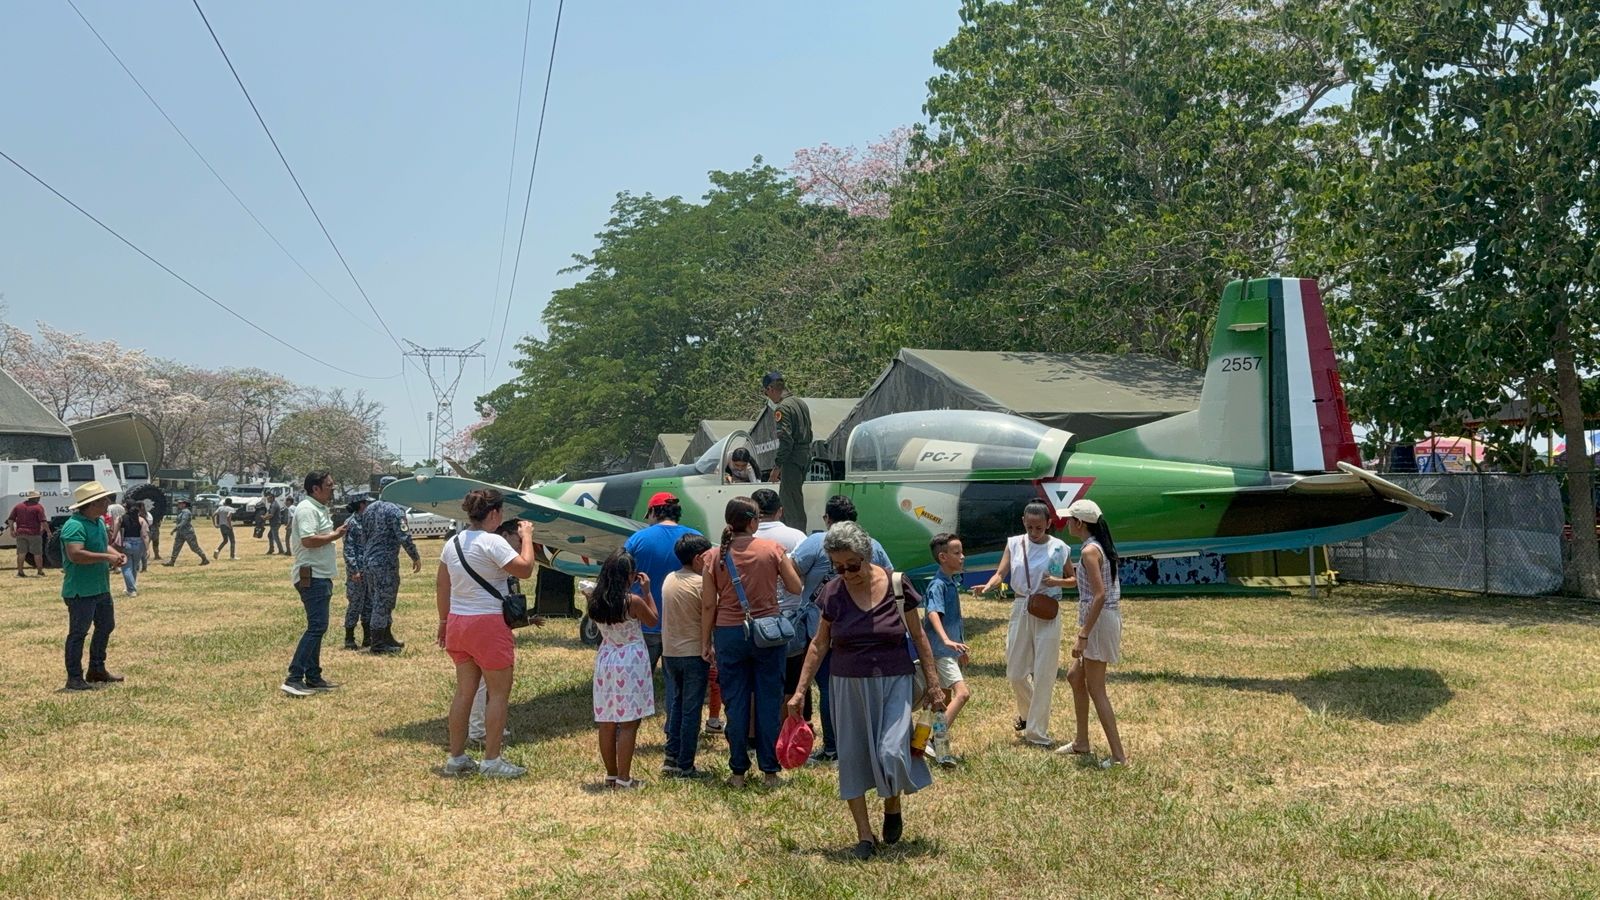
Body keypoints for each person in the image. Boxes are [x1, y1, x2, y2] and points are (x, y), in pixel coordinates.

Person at [787, 521, 945, 860]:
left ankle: (892, 805)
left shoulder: (897, 585)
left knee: (893, 752)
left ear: (866, 555)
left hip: (895, 680)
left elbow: (919, 637)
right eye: (837, 566)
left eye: (852, 565)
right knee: (853, 758)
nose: (845, 572)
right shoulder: (832, 592)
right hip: (846, 683)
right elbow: (818, 644)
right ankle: (864, 836)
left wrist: (934, 683)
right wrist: (800, 692)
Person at [699, 496, 804, 787]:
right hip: (767, 632)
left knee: (735, 702)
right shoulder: (771, 549)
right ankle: (770, 771)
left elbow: (708, 604)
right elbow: (796, 586)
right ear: (754, 521)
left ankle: (737, 772)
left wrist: (705, 641)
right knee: (769, 701)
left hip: (729, 633)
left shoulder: (714, 555)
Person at [437, 488, 537, 778]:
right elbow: (525, 569)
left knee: (464, 692)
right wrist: (527, 536)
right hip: (488, 624)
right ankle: (492, 760)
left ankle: (456, 757)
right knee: (498, 695)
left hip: (458, 622)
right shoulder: (492, 542)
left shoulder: (452, 543)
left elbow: (443, 586)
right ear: (494, 514)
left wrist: (443, 621)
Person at [788, 495, 894, 762]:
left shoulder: (814, 543)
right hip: (864, 631)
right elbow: (888, 577)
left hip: (820, 628)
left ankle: (833, 747)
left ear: (827, 518)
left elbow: (792, 572)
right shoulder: (874, 545)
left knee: (828, 690)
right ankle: (865, 743)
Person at [979, 500, 1069, 748]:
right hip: (1021, 606)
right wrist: (990, 584)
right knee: (1016, 672)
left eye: (1039, 528)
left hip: (1047, 608)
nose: (1034, 532)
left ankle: (1037, 732)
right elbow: (1001, 572)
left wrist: (1057, 582)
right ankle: (1029, 716)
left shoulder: (1059, 548)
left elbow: (1073, 578)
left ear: (1049, 524)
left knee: (1044, 673)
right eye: (1030, 527)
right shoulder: (1014, 543)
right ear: (1023, 522)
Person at [1057, 499, 1128, 767]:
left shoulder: (1089, 551)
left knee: (1097, 689)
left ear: (1080, 523)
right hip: (1100, 619)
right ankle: (1081, 742)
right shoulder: (1096, 547)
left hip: (1098, 622)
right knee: (1075, 676)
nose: (1066, 524)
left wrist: (1084, 634)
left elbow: (1099, 595)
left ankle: (1119, 756)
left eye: (1070, 519)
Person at [589, 550, 659, 788]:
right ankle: (625, 778)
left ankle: (611, 773)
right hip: (631, 658)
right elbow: (653, 620)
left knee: (607, 720)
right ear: (628, 576)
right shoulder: (633, 601)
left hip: (606, 657)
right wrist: (648, 592)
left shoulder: (595, 600)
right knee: (629, 722)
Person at [621, 492, 702, 685]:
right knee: (678, 687)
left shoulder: (637, 539)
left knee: (637, 680)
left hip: (645, 621)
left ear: (653, 512)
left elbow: (622, 574)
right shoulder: (695, 538)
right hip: (683, 624)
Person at [281, 472, 349, 697]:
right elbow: (308, 540)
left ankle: (313, 676)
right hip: (312, 576)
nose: (333, 488)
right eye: (329, 485)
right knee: (317, 627)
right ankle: (294, 677)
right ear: (315, 488)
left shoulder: (317, 508)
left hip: (320, 575)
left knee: (317, 627)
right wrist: (335, 535)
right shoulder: (307, 509)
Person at [58, 482, 128, 691]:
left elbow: (101, 545)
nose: (108, 502)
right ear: (91, 504)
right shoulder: (74, 525)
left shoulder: (96, 522)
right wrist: (107, 557)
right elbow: (76, 554)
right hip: (80, 591)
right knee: (78, 633)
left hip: (100, 588)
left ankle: (96, 669)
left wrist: (115, 554)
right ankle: (74, 677)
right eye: (104, 500)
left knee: (106, 626)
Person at [660, 533, 714, 778]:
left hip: (670, 652)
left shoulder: (669, 579)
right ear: (698, 558)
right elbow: (710, 611)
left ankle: (671, 757)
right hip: (693, 653)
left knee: (677, 704)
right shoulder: (701, 584)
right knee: (691, 710)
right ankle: (686, 764)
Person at [922, 533, 972, 767]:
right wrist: (947, 641)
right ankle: (932, 740)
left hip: (947, 650)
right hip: (940, 651)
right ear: (943, 557)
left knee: (942, 702)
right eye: (956, 553)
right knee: (962, 694)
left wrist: (959, 646)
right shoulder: (938, 585)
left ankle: (935, 747)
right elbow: (933, 613)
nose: (962, 557)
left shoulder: (951, 582)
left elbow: (954, 620)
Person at [359, 496, 422, 654]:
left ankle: (386, 637)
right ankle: (378, 644)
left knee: (377, 600)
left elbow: (363, 536)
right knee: (383, 601)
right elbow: (404, 536)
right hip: (385, 562)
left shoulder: (369, 509)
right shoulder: (395, 511)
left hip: (369, 561)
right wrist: (414, 556)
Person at [762, 372, 812, 531]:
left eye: (766, 392)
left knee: (792, 506)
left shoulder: (782, 407)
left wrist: (777, 467)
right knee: (787, 501)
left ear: (770, 389)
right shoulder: (800, 402)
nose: (768, 396)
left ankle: (798, 540)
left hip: (792, 459)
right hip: (804, 456)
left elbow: (786, 441)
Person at [341, 496, 372, 650]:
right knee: (355, 603)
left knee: (368, 603)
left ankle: (368, 637)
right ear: (361, 505)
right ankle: (349, 637)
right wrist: (354, 570)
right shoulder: (351, 523)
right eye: (367, 503)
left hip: (368, 568)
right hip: (357, 570)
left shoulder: (367, 521)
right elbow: (348, 549)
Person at [8, 490, 51, 577]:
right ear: (35, 498)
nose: (39, 499)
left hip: (20, 533)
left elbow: (10, 519)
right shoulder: (38, 507)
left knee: (21, 553)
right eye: (38, 497)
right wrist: (48, 532)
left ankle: (20, 572)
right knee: (37, 553)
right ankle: (39, 572)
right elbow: (43, 521)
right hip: (34, 533)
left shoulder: (18, 506)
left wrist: (12, 530)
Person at [110, 501, 149, 598]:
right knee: (134, 568)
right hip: (138, 544)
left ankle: (131, 590)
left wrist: (112, 543)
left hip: (126, 544)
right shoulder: (141, 520)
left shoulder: (120, 519)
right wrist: (147, 549)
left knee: (126, 568)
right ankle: (130, 587)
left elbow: (114, 534)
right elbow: (144, 535)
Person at [162, 499, 210, 567]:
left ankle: (204, 559)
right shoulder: (182, 512)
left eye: (180, 503)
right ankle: (172, 561)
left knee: (194, 547)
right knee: (176, 547)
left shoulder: (186, 512)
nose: (178, 504)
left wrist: (175, 529)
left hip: (188, 533)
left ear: (184, 504)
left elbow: (184, 522)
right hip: (180, 532)